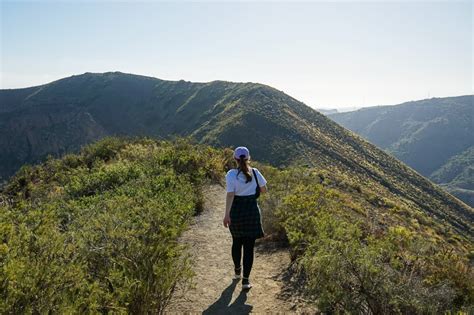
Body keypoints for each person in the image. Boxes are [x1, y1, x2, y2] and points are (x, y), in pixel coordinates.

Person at [223, 146, 267, 290]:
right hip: (252, 212)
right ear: (248, 158)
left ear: (235, 159)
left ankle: (237, 271)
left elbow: (230, 195)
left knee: (236, 242)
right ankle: (246, 281)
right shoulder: (255, 172)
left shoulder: (230, 174)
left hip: (236, 212)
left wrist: (227, 215)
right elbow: (264, 190)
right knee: (249, 248)